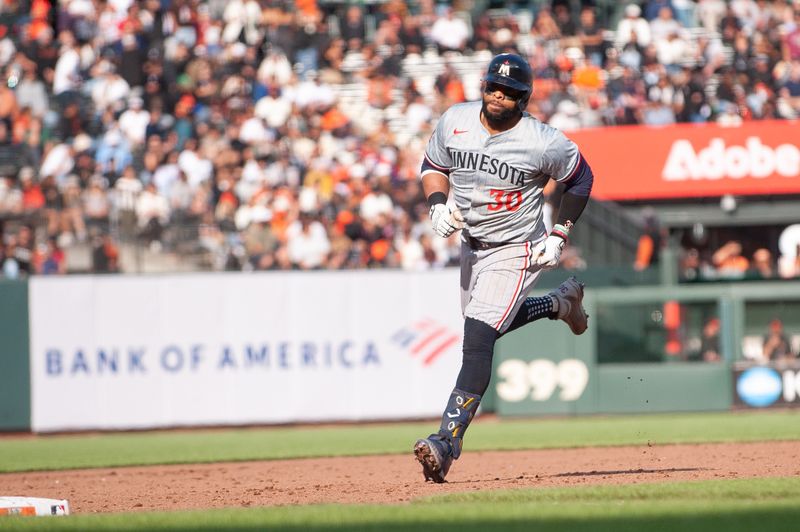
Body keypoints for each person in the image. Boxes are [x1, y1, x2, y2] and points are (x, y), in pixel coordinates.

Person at [413, 53, 594, 483]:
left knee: (477, 339)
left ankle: (446, 441)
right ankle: (558, 304)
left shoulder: (543, 139)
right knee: (486, 324)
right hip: (471, 245)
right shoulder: (455, 120)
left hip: (516, 245)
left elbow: (581, 179)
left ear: (524, 98)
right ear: (483, 86)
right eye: (495, 86)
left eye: (511, 91)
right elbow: (433, 166)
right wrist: (436, 203)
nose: (500, 95)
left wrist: (560, 232)